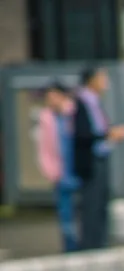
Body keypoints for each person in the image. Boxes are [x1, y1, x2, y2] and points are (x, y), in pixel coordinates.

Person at [73, 66, 124, 251]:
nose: (105, 83)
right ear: (92, 79)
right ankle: (90, 245)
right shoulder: (81, 102)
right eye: (102, 78)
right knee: (91, 203)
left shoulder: (94, 101)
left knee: (101, 202)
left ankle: (99, 243)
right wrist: (109, 134)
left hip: (101, 155)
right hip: (90, 159)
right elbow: (83, 133)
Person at [36, 81, 80, 253]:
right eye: (48, 97)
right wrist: (50, 170)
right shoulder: (46, 118)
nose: (51, 100)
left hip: (77, 169)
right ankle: (70, 247)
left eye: (54, 96)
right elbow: (43, 147)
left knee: (81, 210)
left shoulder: (73, 113)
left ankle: (84, 243)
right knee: (65, 213)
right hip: (60, 173)